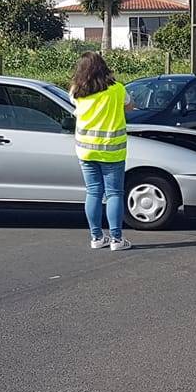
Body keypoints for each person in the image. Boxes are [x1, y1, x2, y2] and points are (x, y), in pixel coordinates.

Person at [71, 52, 132, 251]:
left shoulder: (76, 90)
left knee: (93, 192)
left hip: (86, 150)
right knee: (114, 193)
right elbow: (129, 106)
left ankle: (96, 237)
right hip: (112, 149)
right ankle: (116, 239)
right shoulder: (117, 90)